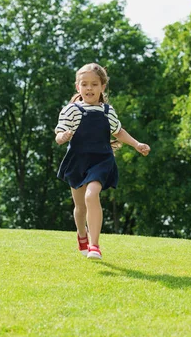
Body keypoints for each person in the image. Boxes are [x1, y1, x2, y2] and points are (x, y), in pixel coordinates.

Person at [55, 63, 150, 260]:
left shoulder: (108, 111)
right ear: (77, 87)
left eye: (94, 84)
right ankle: (82, 235)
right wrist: (63, 137)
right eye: (85, 84)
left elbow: (118, 131)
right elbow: (59, 133)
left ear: (102, 87)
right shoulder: (71, 110)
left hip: (101, 160)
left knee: (92, 196)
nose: (89, 88)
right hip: (77, 161)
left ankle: (94, 245)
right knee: (80, 207)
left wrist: (136, 144)